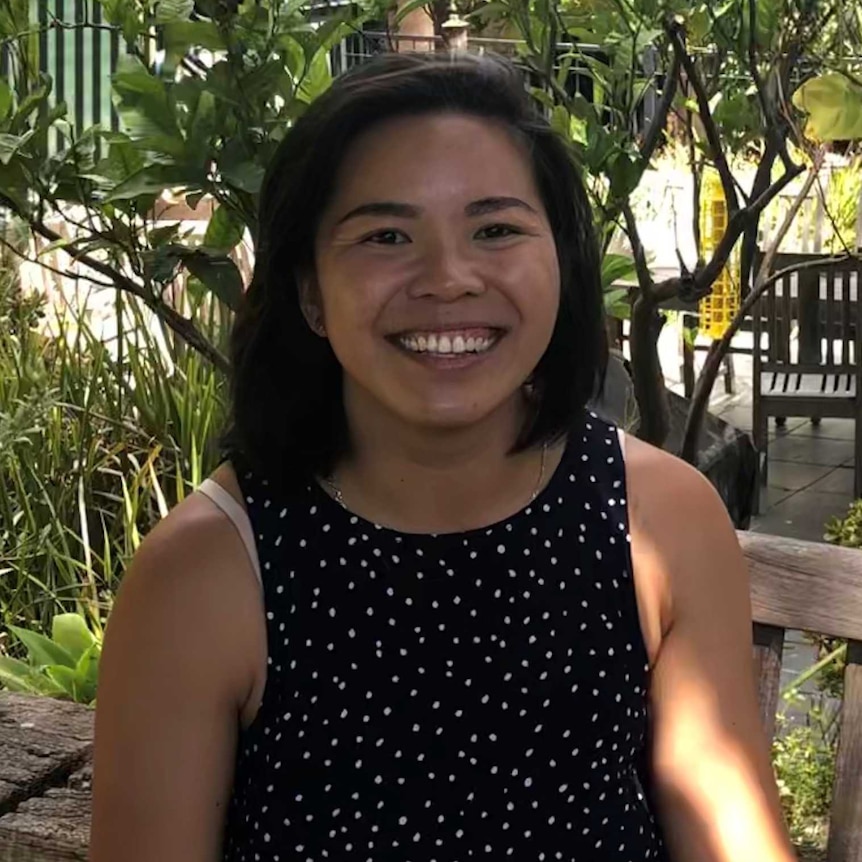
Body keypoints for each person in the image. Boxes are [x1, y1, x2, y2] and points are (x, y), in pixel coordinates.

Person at [89, 52, 797, 862]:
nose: (448, 279)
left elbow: (729, 835)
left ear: (562, 265)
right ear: (310, 292)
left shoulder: (660, 521)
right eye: (387, 235)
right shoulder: (209, 574)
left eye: (495, 230)